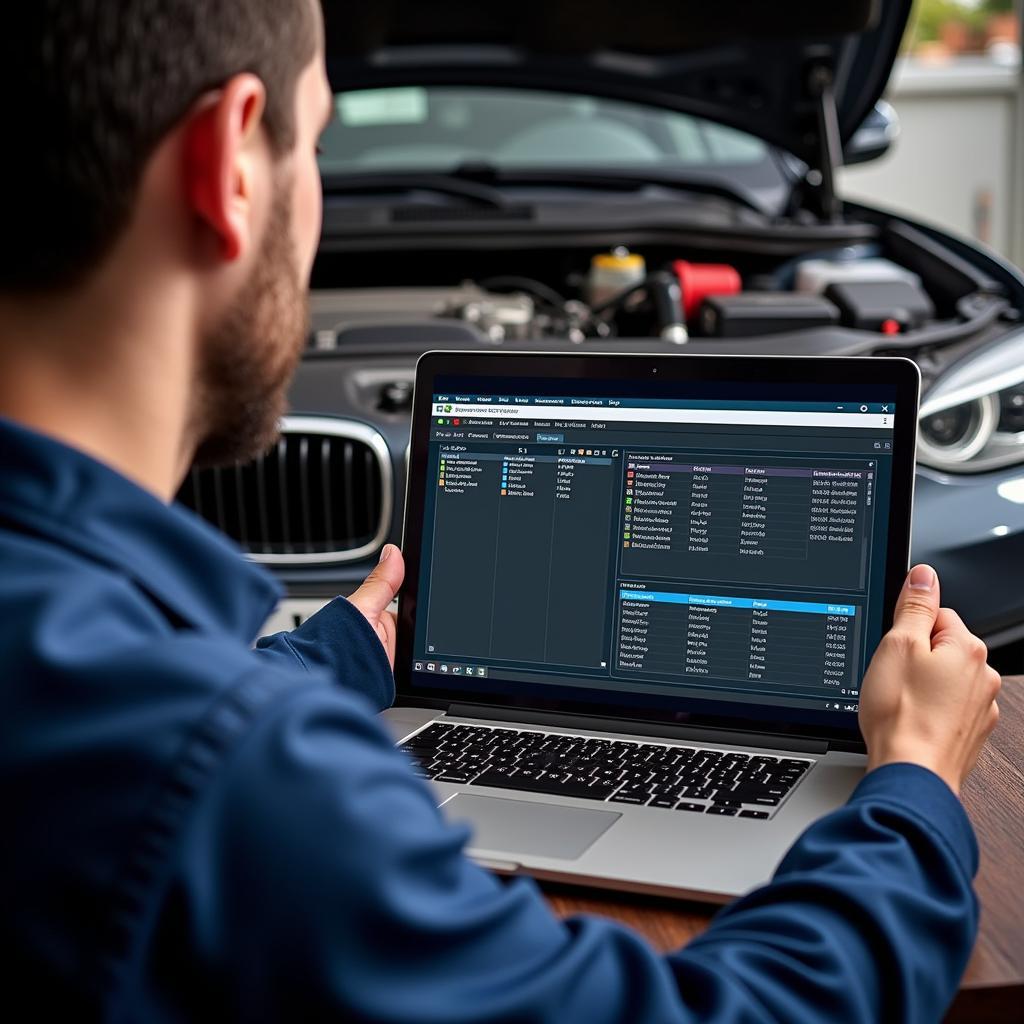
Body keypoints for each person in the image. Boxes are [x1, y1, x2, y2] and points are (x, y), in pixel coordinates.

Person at [0, 2, 1001, 1021]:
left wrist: (336, 654)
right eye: (315, 140)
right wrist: (914, 780)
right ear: (232, 163)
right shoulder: (230, 785)